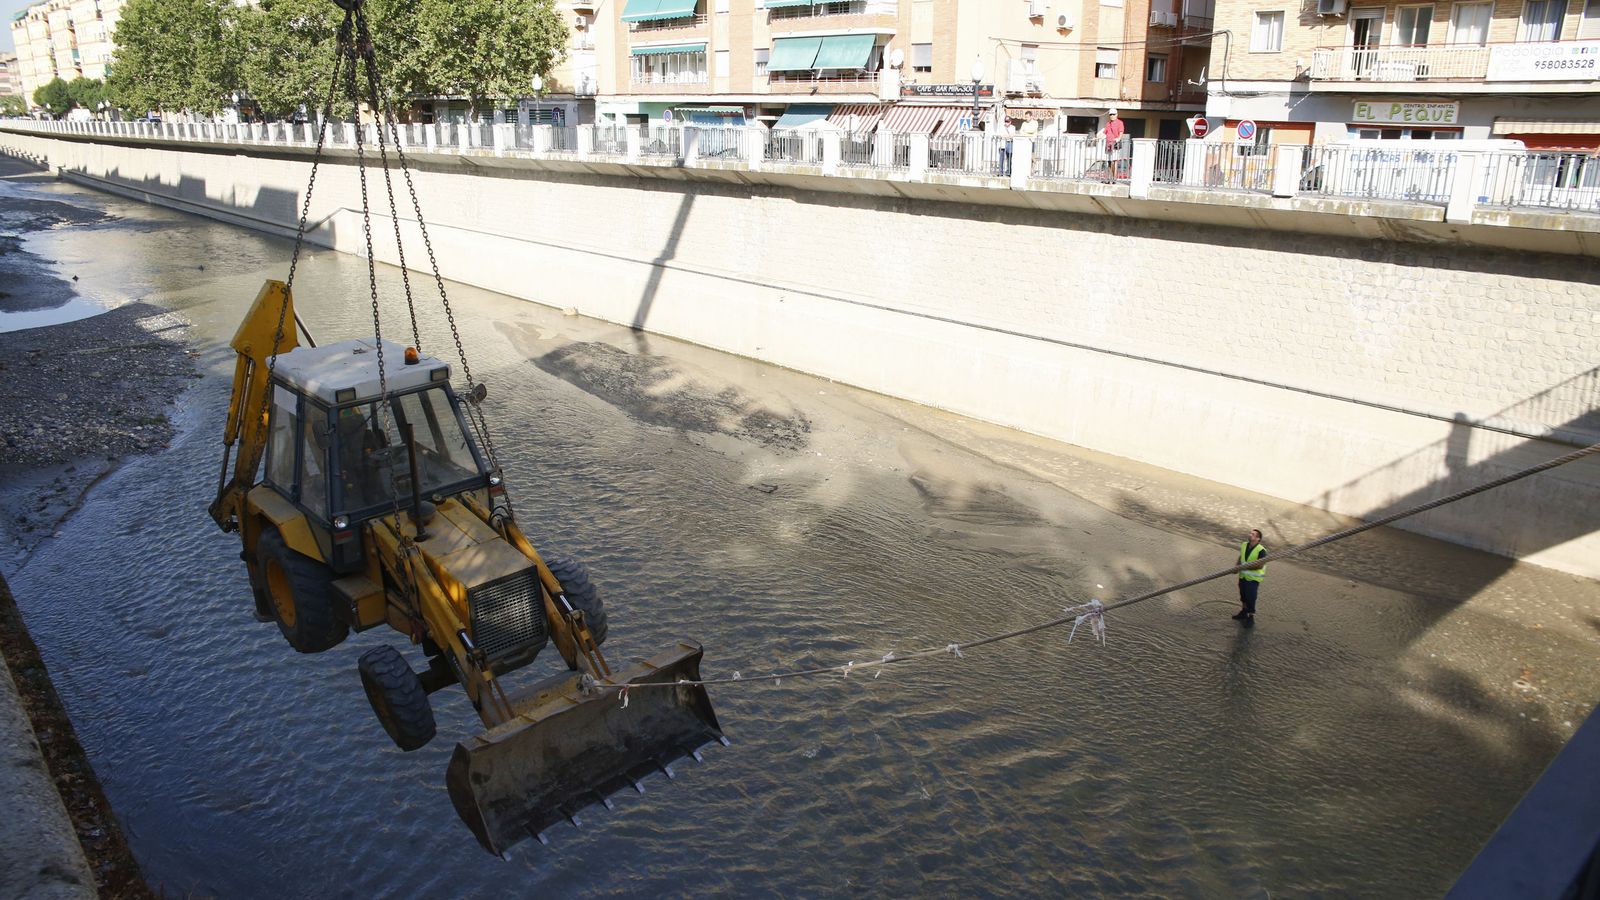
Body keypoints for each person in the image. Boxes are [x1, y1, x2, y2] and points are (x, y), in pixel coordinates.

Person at [1234, 528, 1267, 627]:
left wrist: (1245, 566)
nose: (1250, 535)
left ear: (1258, 539)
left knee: (1251, 597)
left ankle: (1250, 617)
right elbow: (1241, 556)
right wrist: (1237, 567)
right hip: (1243, 576)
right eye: (1250, 533)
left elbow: (1260, 565)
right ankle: (1244, 612)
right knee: (1243, 595)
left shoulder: (1262, 550)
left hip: (1253, 579)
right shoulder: (1244, 545)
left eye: (1253, 534)